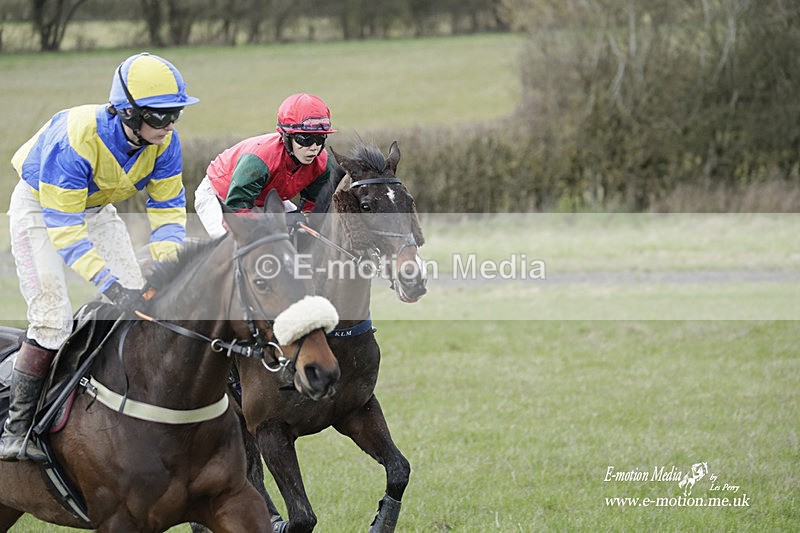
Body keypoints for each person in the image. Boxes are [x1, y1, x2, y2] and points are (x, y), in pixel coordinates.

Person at [0, 52, 198, 463]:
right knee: (52, 318)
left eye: (175, 114)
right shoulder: (76, 139)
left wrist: (169, 269)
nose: (170, 126)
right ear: (128, 112)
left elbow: (167, 210)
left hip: (95, 210)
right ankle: (15, 430)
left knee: (138, 300)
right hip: (41, 209)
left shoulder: (165, 143)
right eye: (160, 117)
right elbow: (66, 230)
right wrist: (107, 282)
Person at [194, 93, 337, 238]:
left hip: (266, 196)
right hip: (222, 197)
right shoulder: (258, 162)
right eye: (305, 139)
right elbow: (236, 210)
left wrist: (306, 221)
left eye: (320, 138)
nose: (314, 148)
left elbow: (314, 208)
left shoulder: (322, 163)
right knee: (241, 243)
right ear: (286, 137)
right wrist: (279, 221)